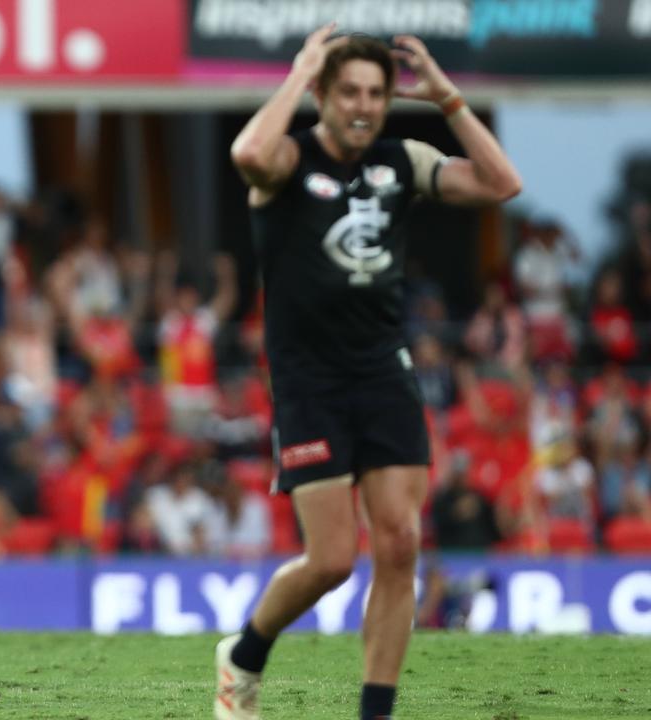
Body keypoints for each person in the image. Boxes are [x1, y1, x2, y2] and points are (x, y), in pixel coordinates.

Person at [217, 26, 521, 720]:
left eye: (376, 94)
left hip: (384, 372)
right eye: (349, 91)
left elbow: (503, 182)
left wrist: (445, 97)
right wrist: (300, 71)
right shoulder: (289, 158)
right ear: (325, 94)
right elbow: (248, 152)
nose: (362, 106)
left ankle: (375, 711)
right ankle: (245, 655)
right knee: (330, 562)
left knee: (402, 541)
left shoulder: (402, 160)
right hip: (308, 383)